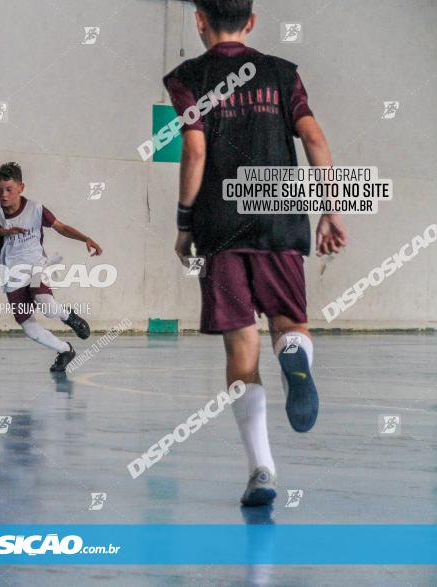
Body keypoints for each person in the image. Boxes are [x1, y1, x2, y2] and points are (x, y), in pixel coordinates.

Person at [165, 0, 348, 506]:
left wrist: (184, 224)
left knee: (240, 352)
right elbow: (313, 136)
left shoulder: (188, 76)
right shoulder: (281, 73)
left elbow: (195, 149)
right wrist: (330, 207)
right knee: (290, 324)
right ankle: (293, 354)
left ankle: (262, 470)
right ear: (252, 21)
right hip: (280, 211)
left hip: (219, 225)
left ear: (199, 19)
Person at [0, 162, 102, 372]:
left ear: (21, 188)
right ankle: (65, 350)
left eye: (9, 189)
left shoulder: (35, 209)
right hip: (12, 274)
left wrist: (86, 238)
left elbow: (61, 227)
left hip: (36, 266)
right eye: (0, 190)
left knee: (46, 305)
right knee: (29, 327)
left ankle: (70, 317)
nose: (4, 194)